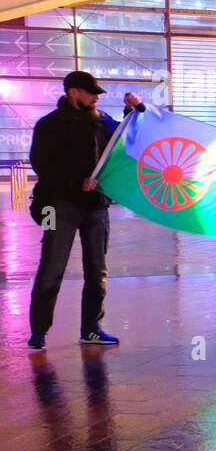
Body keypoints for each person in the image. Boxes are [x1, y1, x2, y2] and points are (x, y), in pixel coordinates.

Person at [27, 72, 142, 349]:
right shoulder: (49, 125)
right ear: (72, 92)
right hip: (57, 205)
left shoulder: (101, 121)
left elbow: (124, 139)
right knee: (51, 267)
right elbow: (41, 164)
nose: (96, 96)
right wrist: (76, 182)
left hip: (96, 206)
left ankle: (91, 328)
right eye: (90, 92)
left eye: (97, 93)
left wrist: (132, 110)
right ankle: (39, 331)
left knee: (97, 270)